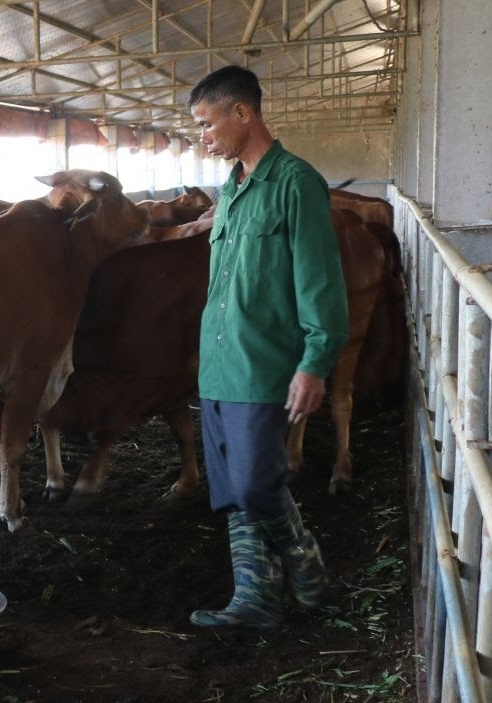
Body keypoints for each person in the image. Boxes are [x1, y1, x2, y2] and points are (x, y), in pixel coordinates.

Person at [185, 65, 349, 633]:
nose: (202, 136)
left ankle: (306, 565)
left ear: (242, 113)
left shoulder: (296, 182)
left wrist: (314, 364)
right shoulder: (231, 189)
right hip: (218, 362)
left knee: (257, 481)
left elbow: (320, 282)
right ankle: (254, 596)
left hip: (264, 365)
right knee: (231, 490)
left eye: (207, 124)